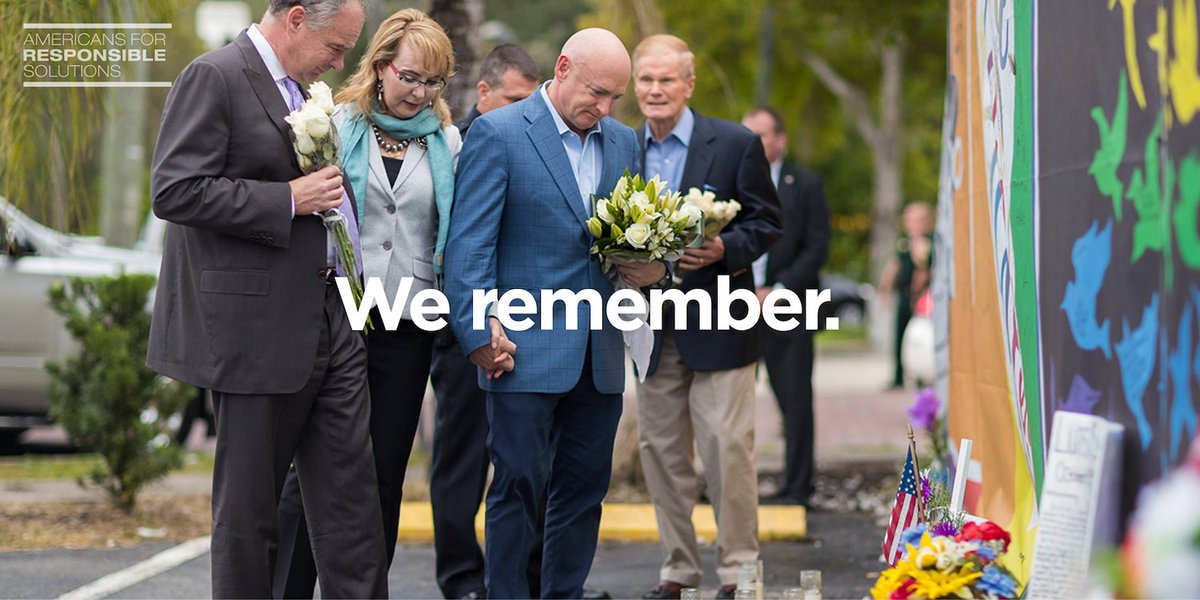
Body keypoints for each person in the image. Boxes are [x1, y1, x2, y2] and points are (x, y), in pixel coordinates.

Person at [146, 0, 387, 597]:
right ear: (297, 18)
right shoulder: (215, 75)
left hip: (334, 316)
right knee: (249, 516)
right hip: (253, 332)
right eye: (335, 48)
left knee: (354, 508)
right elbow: (175, 189)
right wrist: (287, 200)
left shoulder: (304, 90)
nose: (338, 63)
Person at [444, 28, 658, 599]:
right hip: (520, 350)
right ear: (562, 68)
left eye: (615, 97)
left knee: (584, 494)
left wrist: (652, 266)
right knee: (517, 487)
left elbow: (629, 240)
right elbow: (470, 248)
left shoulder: (623, 142)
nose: (605, 108)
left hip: (599, 353)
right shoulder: (498, 133)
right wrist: (478, 332)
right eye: (596, 92)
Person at [272, 8, 462, 598]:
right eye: (410, 76)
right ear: (380, 67)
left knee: (382, 474)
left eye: (433, 82)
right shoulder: (334, 124)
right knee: (312, 470)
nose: (420, 93)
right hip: (336, 314)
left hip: (407, 322)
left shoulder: (450, 142)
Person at [631, 34, 782, 600]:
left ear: (689, 85)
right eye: (646, 79)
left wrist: (725, 248)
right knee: (661, 452)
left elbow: (768, 221)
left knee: (726, 450)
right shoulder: (622, 146)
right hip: (650, 327)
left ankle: (740, 571)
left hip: (721, 322)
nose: (655, 89)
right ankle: (678, 568)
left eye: (666, 79)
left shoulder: (737, 143)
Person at [429, 42, 540, 600]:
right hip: (463, 328)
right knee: (462, 458)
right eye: (515, 99)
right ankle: (461, 580)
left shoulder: (537, 144)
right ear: (484, 92)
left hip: (526, 329)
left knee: (526, 463)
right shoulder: (453, 143)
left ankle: (522, 580)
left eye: (532, 101)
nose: (525, 110)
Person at [743, 106, 831, 507]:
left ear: (781, 139)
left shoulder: (806, 184)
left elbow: (817, 246)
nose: (752, 142)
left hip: (790, 308)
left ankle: (797, 488)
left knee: (795, 404)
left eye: (761, 134)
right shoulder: (731, 182)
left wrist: (778, 289)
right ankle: (728, 485)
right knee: (726, 404)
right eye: (747, 134)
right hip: (737, 307)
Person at [879, 202, 933, 389]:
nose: (909, 223)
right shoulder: (905, 242)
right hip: (904, 294)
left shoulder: (927, 241)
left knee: (920, 336)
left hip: (921, 298)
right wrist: (885, 288)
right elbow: (895, 264)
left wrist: (916, 293)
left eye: (913, 219)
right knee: (900, 335)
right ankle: (898, 375)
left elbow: (922, 270)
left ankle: (921, 373)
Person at [452, 44, 540, 135]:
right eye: (517, 100)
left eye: (532, 101)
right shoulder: (453, 140)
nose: (527, 110)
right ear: (484, 92)